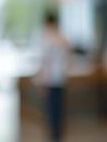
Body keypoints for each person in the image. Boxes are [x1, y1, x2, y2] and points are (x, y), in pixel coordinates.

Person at [34, 13, 71, 142]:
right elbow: (67, 59)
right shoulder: (62, 37)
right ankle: (58, 133)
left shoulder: (48, 38)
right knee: (59, 107)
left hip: (51, 79)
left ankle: (54, 135)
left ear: (47, 23)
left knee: (52, 108)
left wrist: (42, 80)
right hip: (61, 78)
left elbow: (45, 61)